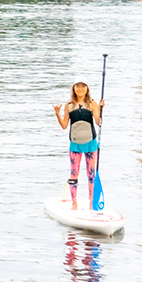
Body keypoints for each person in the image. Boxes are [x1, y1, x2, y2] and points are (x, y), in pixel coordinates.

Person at [53, 78, 104, 210]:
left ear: (87, 89)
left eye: (83, 86)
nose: (80, 89)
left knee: (91, 174)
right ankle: (74, 202)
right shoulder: (69, 105)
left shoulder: (92, 104)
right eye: (77, 86)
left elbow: (99, 123)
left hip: (91, 143)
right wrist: (57, 114)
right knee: (74, 173)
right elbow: (64, 126)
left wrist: (101, 108)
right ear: (74, 89)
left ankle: (92, 201)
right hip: (74, 144)